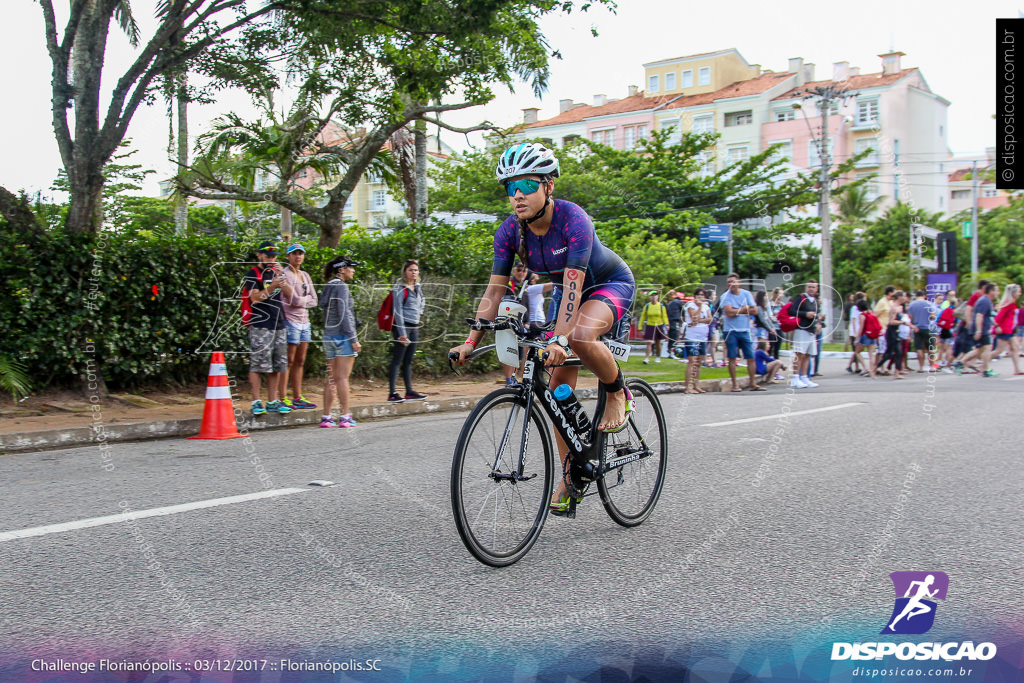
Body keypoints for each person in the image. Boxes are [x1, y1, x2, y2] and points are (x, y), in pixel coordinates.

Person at [448, 142, 636, 516]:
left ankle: (618, 392)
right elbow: (495, 289)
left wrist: (561, 339)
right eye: (509, 187)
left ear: (549, 186)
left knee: (580, 336)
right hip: (566, 293)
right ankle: (574, 474)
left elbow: (574, 286)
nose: (517, 195)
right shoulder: (510, 232)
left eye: (526, 185)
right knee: (555, 396)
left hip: (604, 285)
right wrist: (471, 340)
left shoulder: (573, 219)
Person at [245, 240, 294, 415]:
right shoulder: (253, 274)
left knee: (277, 364)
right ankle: (256, 401)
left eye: (274, 256)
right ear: (259, 255)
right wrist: (272, 285)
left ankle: (273, 400)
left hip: (278, 323)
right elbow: (255, 298)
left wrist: (282, 278)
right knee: (259, 364)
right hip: (260, 325)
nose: (272, 259)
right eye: (268, 256)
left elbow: (290, 296)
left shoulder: (276, 273)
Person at [319, 256, 362, 427]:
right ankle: (345, 416)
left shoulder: (328, 286)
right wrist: (354, 339)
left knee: (331, 378)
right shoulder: (342, 287)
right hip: (343, 337)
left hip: (328, 336)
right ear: (342, 269)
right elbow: (345, 315)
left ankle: (326, 417)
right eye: (351, 267)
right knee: (343, 378)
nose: (353, 270)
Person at [280, 244, 318, 410]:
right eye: (294, 254)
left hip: (305, 322)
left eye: (301, 253)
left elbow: (314, 299)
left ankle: (297, 396)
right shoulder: (284, 275)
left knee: (300, 360)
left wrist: (302, 301)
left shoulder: (305, 275)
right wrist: (304, 301)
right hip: (290, 320)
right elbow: (293, 300)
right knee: (288, 360)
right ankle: (282, 397)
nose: (298, 257)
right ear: (288, 256)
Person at [387, 259, 428, 403]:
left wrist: (418, 313)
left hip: (414, 326)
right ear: (405, 271)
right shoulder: (399, 288)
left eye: (416, 270)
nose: (414, 273)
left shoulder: (417, 287)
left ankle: (409, 391)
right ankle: (392, 393)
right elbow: (397, 311)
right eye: (411, 270)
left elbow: (422, 300)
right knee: (397, 360)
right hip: (402, 328)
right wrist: (402, 332)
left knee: (408, 360)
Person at [720, 274, 764, 392]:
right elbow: (729, 313)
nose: (731, 284)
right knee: (732, 358)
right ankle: (735, 384)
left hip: (745, 330)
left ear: (739, 282)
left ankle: (753, 383)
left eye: (733, 282)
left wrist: (737, 310)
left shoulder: (746, 294)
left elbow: (754, 311)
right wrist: (744, 309)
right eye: (729, 282)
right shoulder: (725, 296)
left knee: (750, 357)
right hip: (730, 331)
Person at [788, 280, 823, 388]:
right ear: (806, 288)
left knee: (807, 355)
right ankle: (795, 378)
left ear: (817, 289)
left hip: (811, 330)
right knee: (799, 354)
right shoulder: (801, 298)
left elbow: (816, 314)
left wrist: (818, 320)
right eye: (809, 287)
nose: (811, 289)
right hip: (801, 329)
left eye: (813, 287)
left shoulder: (815, 301)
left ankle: (804, 377)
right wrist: (805, 314)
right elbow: (792, 311)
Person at [958, 282, 998, 376]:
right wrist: (979, 330)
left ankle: (960, 362)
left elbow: (989, 316)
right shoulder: (985, 301)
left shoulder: (986, 300)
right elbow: (980, 315)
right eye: (996, 290)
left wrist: (996, 325)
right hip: (982, 329)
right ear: (991, 291)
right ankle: (986, 370)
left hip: (982, 328)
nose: (998, 293)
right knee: (987, 348)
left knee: (980, 350)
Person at [501, 262, 530, 386]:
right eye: (518, 270)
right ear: (514, 271)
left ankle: (518, 378)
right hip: (509, 322)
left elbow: (526, 305)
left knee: (522, 351)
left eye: (524, 270)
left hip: (522, 323)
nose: (521, 272)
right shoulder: (508, 284)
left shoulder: (525, 285)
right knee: (509, 351)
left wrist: (527, 321)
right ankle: (509, 379)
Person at [682, 287, 712, 394]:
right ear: (695, 296)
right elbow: (694, 319)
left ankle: (696, 385)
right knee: (692, 361)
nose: (701, 297)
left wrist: (699, 320)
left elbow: (710, 319)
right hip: (692, 337)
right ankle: (688, 387)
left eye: (703, 295)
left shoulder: (706, 307)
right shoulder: (691, 306)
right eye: (699, 295)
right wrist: (699, 308)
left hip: (702, 337)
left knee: (699, 362)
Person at [878, 290, 911, 379]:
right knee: (889, 354)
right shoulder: (894, 308)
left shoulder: (900, 307)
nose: (905, 298)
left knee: (899, 353)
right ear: (899, 297)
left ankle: (897, 373)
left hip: (896, 332)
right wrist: (903, 322)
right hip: (891, 332)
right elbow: (891, 322)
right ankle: (874, 368)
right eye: (903, 296)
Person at [991, 283, 1022, 375]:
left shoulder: (1012, 303)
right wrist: (996, 327)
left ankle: (1017, 369)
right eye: (1018, 292)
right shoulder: (1009, 303)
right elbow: (999, 317)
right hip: (1005, 330)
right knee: (999, 350)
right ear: (1013, 292)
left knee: (1015, 348)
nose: (1020, 294)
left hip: (1010, 330)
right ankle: (982, 365)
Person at [906, 289, 937, 373]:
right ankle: (932, 366)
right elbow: (933, 316)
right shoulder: (929, 304)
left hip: (917, 328)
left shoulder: (912, 305)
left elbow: (910, 317)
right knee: (931, 348)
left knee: (919, 348)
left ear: (916, 296)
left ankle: (921, 367)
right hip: (928, 328)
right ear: (924, 296)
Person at [639, 290, 669, 364]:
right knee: (649, 342)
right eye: (652, 295)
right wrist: (640, 326)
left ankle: (658, 357)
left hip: (659, 325)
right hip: (650, 325)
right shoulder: (647, 306)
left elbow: (664, 316)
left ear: (657, 297)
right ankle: (647, 358)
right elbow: (643, 316)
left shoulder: (661, 306)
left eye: (655, 295)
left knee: (658, 342)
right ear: (650, 297)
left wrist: (667, 324)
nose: (653, 297)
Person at [853, 298, 878, 378]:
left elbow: (861, 328)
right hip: (872, 335)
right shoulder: (871, 313)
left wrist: (857, 338)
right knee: (871, 354)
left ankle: (865, 368)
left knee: (857, 352)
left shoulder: (862, 315)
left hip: (865, 336)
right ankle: (872, 371)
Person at [846, 292, 865, 374]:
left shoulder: (861, 308)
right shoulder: (855, 308)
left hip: (859, 331)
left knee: (857, 350)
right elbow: (853, 320)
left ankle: (852, 366)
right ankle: (853, 366)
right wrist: (855, 332)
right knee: (856, 350)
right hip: (855, 332)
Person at [666, 290, 685, 358]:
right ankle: (672, 352)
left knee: (671, 337)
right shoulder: (679, 302)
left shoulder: (669, 303)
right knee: (675, 337)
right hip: (675, 321)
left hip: (669, 321)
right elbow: (684, 311)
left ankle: (669, 351)